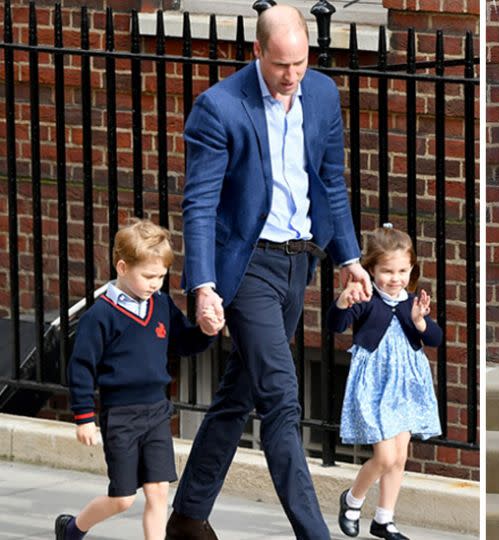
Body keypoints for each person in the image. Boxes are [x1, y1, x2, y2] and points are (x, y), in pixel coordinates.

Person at [167, 5, 371, 540]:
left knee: (239, 392)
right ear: (258, 52)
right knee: (281, 398)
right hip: (248, 265)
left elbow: (331, 181)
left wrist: (349, 259)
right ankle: (315, 534)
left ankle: (188, 518)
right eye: (281, 65)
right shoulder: (220, 107)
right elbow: (201, 204)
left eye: (300, 63)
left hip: (299, 259)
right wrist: (204, 287)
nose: (291, 76)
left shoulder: (322, 95)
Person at [55, 220, 222, 540]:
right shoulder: (100, 315)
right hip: (121, 416)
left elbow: (183, 343)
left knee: (159, 493)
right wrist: (84, 417)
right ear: (122, 266)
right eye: (148, 276)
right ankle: (73, 528)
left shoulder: (161, 304)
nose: (155, 284)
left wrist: (206, 332)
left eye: (161, 276)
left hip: (157, 412)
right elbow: (81, 367)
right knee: (122, 498)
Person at [326, 225, 442, 540]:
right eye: (387, 271)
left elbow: (434, 339)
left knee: (400, 456)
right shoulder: (365, 298)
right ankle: (352, 500)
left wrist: (420, 322)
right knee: (385, 456)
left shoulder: (411, 302)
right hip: (375, 385)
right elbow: (336, 326)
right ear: (371, 270)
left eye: (403, 270)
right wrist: (343, 301)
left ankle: (384, 519)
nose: (396, 278)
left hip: (406, 386)